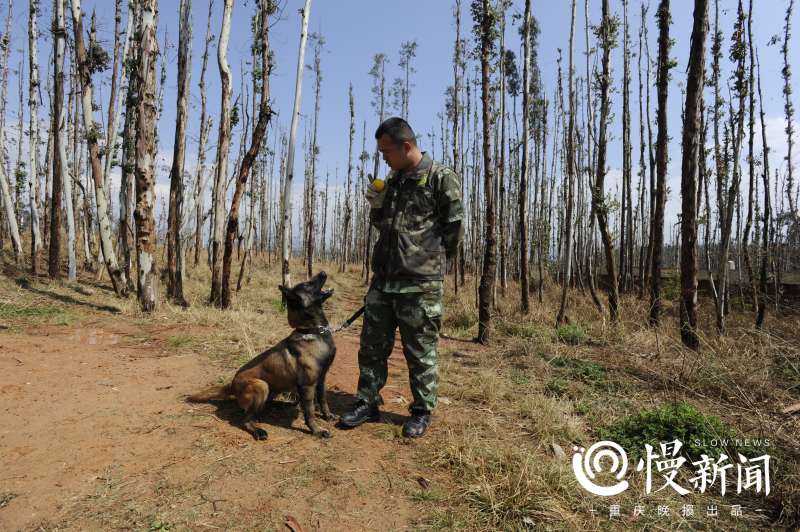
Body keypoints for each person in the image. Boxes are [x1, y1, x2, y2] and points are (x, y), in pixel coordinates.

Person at [340, 117, 464, 438]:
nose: (382, 157)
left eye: (386, 151)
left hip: (420, 285)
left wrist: (430, 267)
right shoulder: (393, 181)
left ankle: (421, 411)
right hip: (383, 280)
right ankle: (367, 402)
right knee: (372, 346)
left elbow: (455, 231)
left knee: (419, 350)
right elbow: (386, 229)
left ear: (406, 146)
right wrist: (376, 208)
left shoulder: (440, 178)